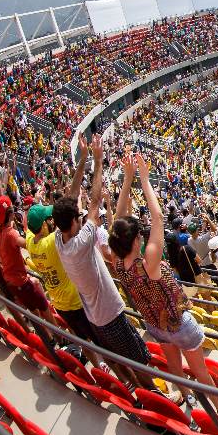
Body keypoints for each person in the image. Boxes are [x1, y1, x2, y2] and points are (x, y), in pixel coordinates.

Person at [108, 153, 218, 410]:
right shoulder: (148, 262)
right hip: (179, 323)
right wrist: (145, 179)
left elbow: (118, 222)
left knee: (174, 366)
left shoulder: (118, 262)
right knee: (201, 372)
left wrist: (128, 180)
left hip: (154, 324)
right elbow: (158, 217)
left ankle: (188, 398)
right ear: (136, 240)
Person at [53, 136, 155, 391]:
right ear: (75, 222)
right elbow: (95, 201)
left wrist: (84, 160)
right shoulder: (82, 242)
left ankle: (131, 391)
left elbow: (71, 198)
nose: (80, 215)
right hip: (110, 314)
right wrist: (98, 160)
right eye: (78, 216)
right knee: (138, 360)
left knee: (116, 357)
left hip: (95, 316)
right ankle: (155, 399)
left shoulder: (59, 238)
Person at [25, 202, 101, 366]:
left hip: (59, 303)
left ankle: (97, 367)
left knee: (82, 339)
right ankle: (109, 369)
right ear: (44, 224)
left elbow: (28, 227)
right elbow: (65, 222)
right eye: (48, 219)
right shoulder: (51, 242)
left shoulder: (30, 243)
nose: (52, 221)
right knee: (98, 340)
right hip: (75, 302)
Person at [0, 195, 56, 324]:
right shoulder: (11, 234)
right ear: (10, 212)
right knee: (44, 306)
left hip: (10, 278)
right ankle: (61, 339)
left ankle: (49, 338)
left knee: (33, 310)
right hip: (20, 281)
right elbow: (29, 245)